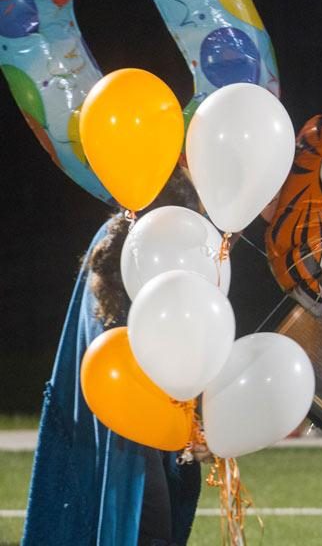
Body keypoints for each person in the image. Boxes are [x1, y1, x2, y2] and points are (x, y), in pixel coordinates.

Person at [22, 168, 203, 546]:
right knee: (145, 523)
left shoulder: (151, 245)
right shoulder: (122, 246)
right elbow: (107, 342)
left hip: (148, 418)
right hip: (124, 424)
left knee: (155, 521)